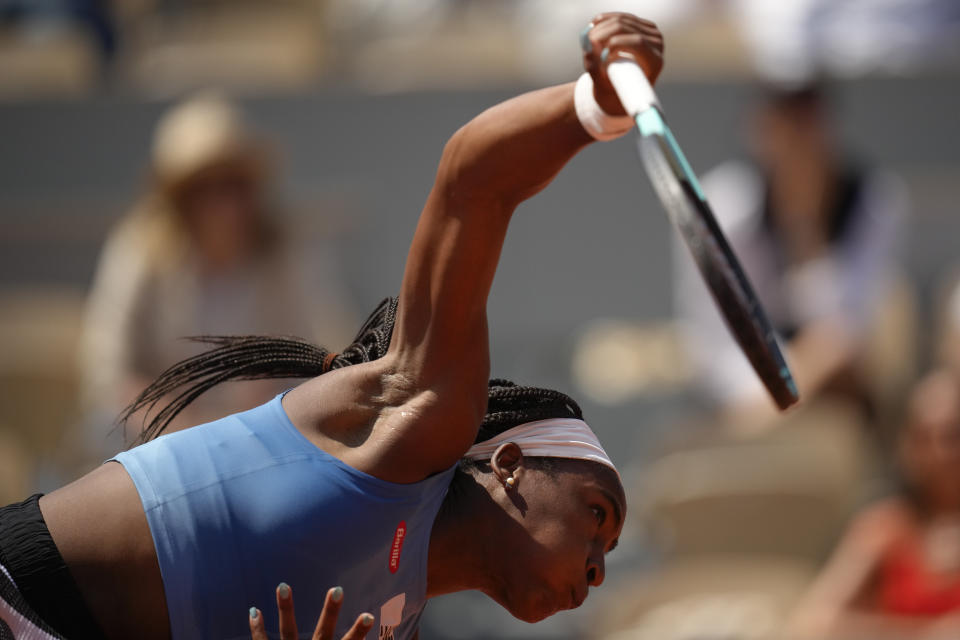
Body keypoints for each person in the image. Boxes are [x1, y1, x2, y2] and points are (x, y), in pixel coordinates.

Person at [0, 13, 662, 640]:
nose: (599, 566)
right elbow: (474, 180)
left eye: (605, 553)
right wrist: (592, 107)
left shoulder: (392, 621)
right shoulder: (421, 420)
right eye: (597, 515)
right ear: (512, 466)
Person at [78, 91, 357, 448]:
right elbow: (106, 373)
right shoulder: (139, 251)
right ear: (180, 199)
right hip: (159, 449)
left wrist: (284, 394)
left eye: (236, 183)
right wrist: (174, 419)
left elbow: (336, 354)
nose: (226, 203)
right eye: (206, 187)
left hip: (273, 440)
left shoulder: (290, 249)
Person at [675, 80, 907, 420]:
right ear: (757, 127)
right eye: (785, 119)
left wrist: (806, 226)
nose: (797, 139)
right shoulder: (719, 208)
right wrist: (778, 395)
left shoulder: (875, 202)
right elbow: (714, 342)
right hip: (745, 402)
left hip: (838, 395)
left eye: (807, 118)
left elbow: (848, 330)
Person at [788, 370, 960, 639]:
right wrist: (930, 634)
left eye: (953, 435)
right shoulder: (886, 526)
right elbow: (815, 622)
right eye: (925, 437)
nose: (941, 451)